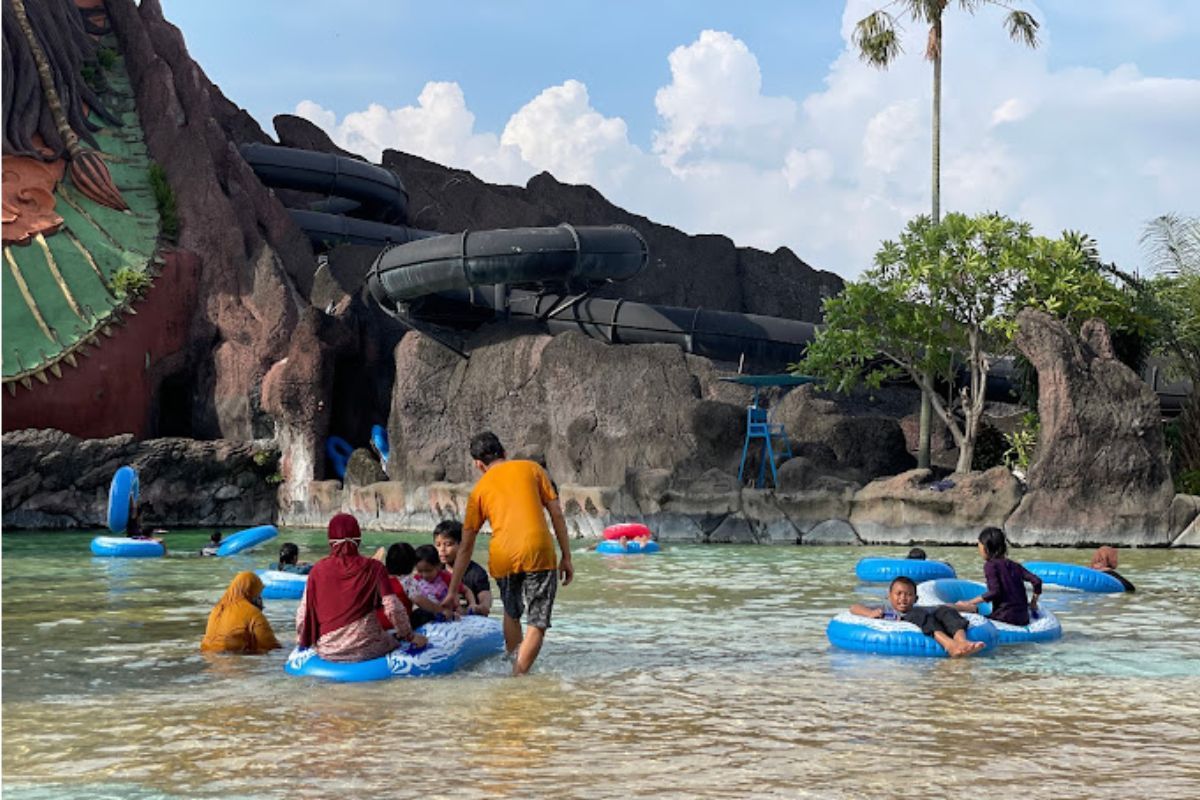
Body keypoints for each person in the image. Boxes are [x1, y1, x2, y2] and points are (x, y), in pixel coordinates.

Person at [443, 431, 574, 676]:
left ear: (478, 465)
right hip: (538, 553)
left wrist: (453, 590)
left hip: (503, 557)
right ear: (504, 452)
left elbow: (466, 546)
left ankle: (514, 666)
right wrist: (566, 556)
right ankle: (517, 677)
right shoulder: (533, 469)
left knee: (511, 613)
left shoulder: (479, 490)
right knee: (537, 622)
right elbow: (556, 513)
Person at [295, 513, 426, 662]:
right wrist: (409, 635)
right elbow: (393, 608)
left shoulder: (317, 570)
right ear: (358, 538)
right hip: (367, 649)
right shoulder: (375, 568)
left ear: (330, 540)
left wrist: (302, 641)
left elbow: (303, 614)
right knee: (394, 640)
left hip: (327, 650)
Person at [850, 576, 984, 658]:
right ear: (889, 595)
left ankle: (961, 641)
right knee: (918, 614)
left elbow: (945, 607)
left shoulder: (918, 608)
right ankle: (949, 645)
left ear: (916, 598)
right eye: (899, 594)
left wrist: (966, 607)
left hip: (923, 613)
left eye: (908, 595)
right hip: (912, 622)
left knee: (945, 610)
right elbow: (854, 607)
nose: (903, 598)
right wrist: (870, 613)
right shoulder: (884, 608)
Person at [955, 527, 1042, 627]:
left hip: (1004, 619)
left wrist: (968, 602)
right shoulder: (1015, 565)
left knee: (970, 610)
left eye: (979, 546)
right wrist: (1033, 603)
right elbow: (1037, 581)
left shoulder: (990, 566)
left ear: (986, 548)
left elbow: (994, 592)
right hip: (1023, 619)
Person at [200, 572, 280, 654]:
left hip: (209, 656)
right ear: (252, 590)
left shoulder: (216, 610)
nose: (260, 597)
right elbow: (271, 645)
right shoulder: (251, 612)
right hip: (236, 659)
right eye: (258, 593)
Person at [434, 520, 493, 616]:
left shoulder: (476, 573)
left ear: (462, 546)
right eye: (438, 545)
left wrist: (479, 607)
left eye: (448, 544)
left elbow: (485, 602)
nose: (442, 550)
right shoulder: (434, 570)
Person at [410, 544, 474, 625]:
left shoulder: (446, 578)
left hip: (451, 612)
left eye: (428, 571)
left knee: (460, 612)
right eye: (420, 571)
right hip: (428, 615)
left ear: (438, 566)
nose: (424, 575)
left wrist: (472, 604)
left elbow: (466, 590)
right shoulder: (416, 580)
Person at [375, 542, 416, 630]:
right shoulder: (408, 581)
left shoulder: (378, 578)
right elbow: (420, 600)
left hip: (377, 625)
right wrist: (439, 610)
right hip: (398, 627)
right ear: (412, 564)